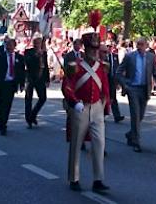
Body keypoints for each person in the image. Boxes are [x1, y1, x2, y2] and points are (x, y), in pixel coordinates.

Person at [62, 24, 111, 193]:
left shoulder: (102, 67)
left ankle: (98, 179)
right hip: (80, 108)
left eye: (96, 49)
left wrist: (105, 107)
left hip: (96, 107)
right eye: (91, 49)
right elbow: (67, 86)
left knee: (99, 143)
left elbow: (105, 88)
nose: (94, 52)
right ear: (85, 49)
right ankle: (74, 178)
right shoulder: (75, 66)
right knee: (76, 144)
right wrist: (75, 102)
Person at [117, 37, 156, 152]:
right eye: (138, 44)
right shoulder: (129, 56)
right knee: (135, 115)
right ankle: (136, 142)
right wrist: (125, 85)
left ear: (146, 45)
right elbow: (118, 72)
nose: (139, 47)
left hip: (145, 89)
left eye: (142, 44)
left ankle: (130, 134)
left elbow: (155, 72)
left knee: (141, 116)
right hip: (132, 88)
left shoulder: (151, 57)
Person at [0, 39, 25, 135]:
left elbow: (21, 72)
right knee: (2, 105)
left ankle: (4, 122)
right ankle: (2, 124)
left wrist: (22, 84)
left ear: (14, 46)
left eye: (10, 44)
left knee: (8, 105)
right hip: (2, 83)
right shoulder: (0, 56)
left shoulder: (19, 57)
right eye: (7, 44)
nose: (8, 46)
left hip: (12, 84)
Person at [24, 36, 49, 128]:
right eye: (36, 43)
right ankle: (28, 120)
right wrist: (36, 56)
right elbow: (27, 63)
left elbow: (45, 67)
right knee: (28, 99)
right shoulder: (28, 52)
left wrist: (47, 79)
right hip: (31, 78)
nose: (37, 45)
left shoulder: (44, 53)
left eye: (39, 43)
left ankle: (33, 115)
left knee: (43, 98)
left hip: (41, 79)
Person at [105, 39, 125, 123]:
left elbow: (117, 68)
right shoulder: (102, 56)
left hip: (113, 80)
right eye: (107, 46)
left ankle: (117, 116)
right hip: (105, 80)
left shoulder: (114, 56)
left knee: (113, 98)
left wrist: (118, 81)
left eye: (110, 46)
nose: (109, 48)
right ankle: (102, 115)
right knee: (104, 98)